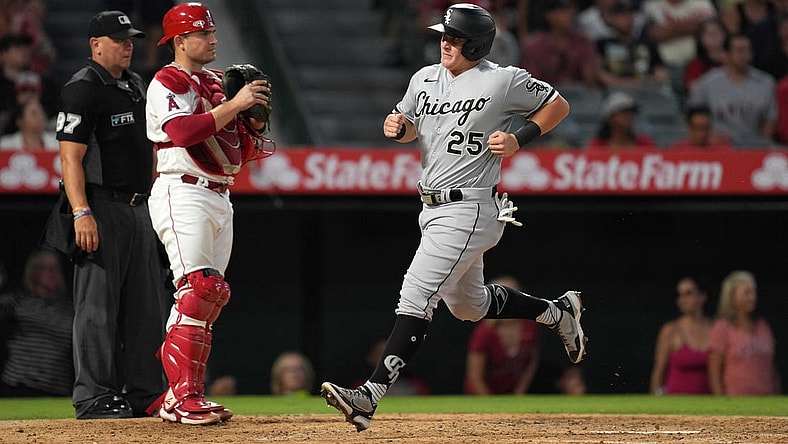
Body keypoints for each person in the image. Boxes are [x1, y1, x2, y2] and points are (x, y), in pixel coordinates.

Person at [319, 4, 586, 433]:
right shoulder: (423, 78)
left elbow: (558, 105)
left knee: (416, 294)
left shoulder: (503, 80)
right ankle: (557, 312)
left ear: (476, 44)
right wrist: (398, 127)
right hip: (430, 206)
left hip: (471, 206)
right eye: (444, 34)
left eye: (455, 37)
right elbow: (410, 125)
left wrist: (520, 138)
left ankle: (369, 395)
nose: (445, 41)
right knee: (468, 306)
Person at [144, 2, 274, 425]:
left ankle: (184, 395)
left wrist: (252, 125)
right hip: (181, 190)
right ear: (180, 41)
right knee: (199, 289)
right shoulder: (167, 80)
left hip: (219, 194)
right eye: (204, 34)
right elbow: (181, 131)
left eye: (213, 33)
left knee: (209, 295)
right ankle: (180, 398)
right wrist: (235, 106)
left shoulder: (217, 82)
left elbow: (243, 145)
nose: (214, 40)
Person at [55, 10, 168, 419]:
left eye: (130, 39)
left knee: (146, 307)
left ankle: (145, 391)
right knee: (97, 309)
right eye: (119, 39)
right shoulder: (83, 88)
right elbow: (70, 158)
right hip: (101, 206)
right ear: (95, 45)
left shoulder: (136, 84)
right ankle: (93, 396)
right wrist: (82, 212)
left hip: (140, 207)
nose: (128, 46)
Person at [0, 248, 73, 397]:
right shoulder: (18, 300)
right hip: (19, 385)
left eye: (55, 268)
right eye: (44, 268)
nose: (51, 273)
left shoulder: (71, 308)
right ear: (32, 272)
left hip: (58, 389)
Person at [687, 33, 778, 147]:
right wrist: (707, 135)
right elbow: (695, 117)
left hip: (755, 146)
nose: (745, 55)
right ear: (726, 55)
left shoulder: (766, 83)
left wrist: (761, 145)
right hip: (718, 147)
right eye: (739, 50)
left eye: (747, 50)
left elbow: (770, 120)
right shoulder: (707, 84)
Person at [464, 276, 540, 395]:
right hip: (480, 397)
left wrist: (519, 394)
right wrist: (492, 405)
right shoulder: (485, 332)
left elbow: (532, 361)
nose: (511, 303)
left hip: (512, 393)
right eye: (505, 297)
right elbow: (475, 376)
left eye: (515, 296)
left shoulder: (529, 326)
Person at [708, 270, 780, 396]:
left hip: (767, 398)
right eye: (747, 292)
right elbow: (714, 372)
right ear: (732, 296)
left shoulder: (763, 326)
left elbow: (771, 367)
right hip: (737, 400)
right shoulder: (722, 327)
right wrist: (721, 403)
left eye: (754, 292)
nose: (752, 297)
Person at [649, 277, 713, 395]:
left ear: (703, 296)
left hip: (709, 403)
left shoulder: (715, 328)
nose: (682, 300)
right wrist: (656, 401)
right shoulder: (671, 330)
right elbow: (659, 371)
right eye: (680, 295)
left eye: (688, 294)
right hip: (676, 403)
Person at [520, 0, 600, 88]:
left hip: (579, 93)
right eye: (563, 9)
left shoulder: (582, 41)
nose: (569, 14)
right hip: (547, 95)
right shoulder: (534, 46)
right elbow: (532, 83)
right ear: (549, 15)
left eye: (571, 9)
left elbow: (590, 79)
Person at [595, 0, 670, 89]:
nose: (627, 18)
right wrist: (637, 83)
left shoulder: (648, 44)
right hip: (615, 93)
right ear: (611, 19)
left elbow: (661, 75)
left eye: (630, 14)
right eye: (621, 15)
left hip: (647, 93)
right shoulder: (602, 45)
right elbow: (602, 77)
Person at [586, 91, 657, 149]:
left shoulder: (645, 143)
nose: (630, 116)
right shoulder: (597, 146)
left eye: (631, 113)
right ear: (611, 118)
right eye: (624, 112)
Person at [683, 18, 728, 94]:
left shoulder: (734, 60)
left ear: (724, 35)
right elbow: (694, 90)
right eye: (709, 34)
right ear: (700, 39)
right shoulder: (695, 65)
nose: (713, 37)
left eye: (716, 32)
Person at [665, 105, 733, 150]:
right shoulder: (676, 150)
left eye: (705, 127)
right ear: (689, 128)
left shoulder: (723, 150)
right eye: (698, 128)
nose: (702, 133)